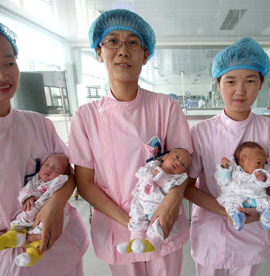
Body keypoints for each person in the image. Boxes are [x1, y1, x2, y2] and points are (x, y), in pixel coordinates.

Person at [0, 14, 88, 275]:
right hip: (5, 260)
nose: (2, 74)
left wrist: (55, 207)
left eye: (9, 62)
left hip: (60, 247)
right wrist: (3, 238)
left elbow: (68, 174)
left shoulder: (37, 123)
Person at [68, 9, 192, 276]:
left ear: (145, 54)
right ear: (99, 52)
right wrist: (133, 223)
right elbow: (85, 184)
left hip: (164, 222)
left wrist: (169, 206)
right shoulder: (85, 116)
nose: (123, 50)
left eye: (133, 42)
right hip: (117, 227)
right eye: (112, 41)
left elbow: (185, 165)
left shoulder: (165, 107)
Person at [184, 37, 270, 276]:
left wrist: (264, 211)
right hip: (211, 230)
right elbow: (187, 187)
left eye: (250, 81)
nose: (240, 90)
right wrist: (224, 210)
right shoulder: (201, 132)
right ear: (218, 84)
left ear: (261, 84)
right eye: (231, 81)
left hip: (253, 230)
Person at [0, 153, 71, 267]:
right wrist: (27, 197)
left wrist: (64, 177)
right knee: (18, 224)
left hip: (48, 216)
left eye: (56, 168)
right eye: (46, 165)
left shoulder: (60, 180)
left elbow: (71, 178)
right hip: (28, 214)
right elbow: (25, 190)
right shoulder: (35, 180)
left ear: (63, 173)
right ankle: (7, 239)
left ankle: (32, 255)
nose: (49, 168)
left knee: (42, 235)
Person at [117, 137, 191, 255]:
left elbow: (170, 190)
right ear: (165, 156)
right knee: (136, 217)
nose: (178, 162)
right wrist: (148, 176)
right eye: (176, 157)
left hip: (158, 207)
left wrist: (162, 179)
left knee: (158, 224)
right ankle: (134, 241)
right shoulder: (152, 165)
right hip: (142, 201)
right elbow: (141, 173)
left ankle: (152, 243)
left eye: (183, 164)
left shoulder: (177, 179)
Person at [215, 141, 270, 231]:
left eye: (263, 164)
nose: (262, 167)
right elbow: (223, 181)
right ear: (243, 160)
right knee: (230, 203)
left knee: (265, 201)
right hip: (236, 196)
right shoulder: (234, 170)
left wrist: (262, 179)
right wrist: (224, 168)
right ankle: (237, 216)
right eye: (258, 163)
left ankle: (266, 216)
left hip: (254, 197)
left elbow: (266, 183)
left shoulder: (260, 173)